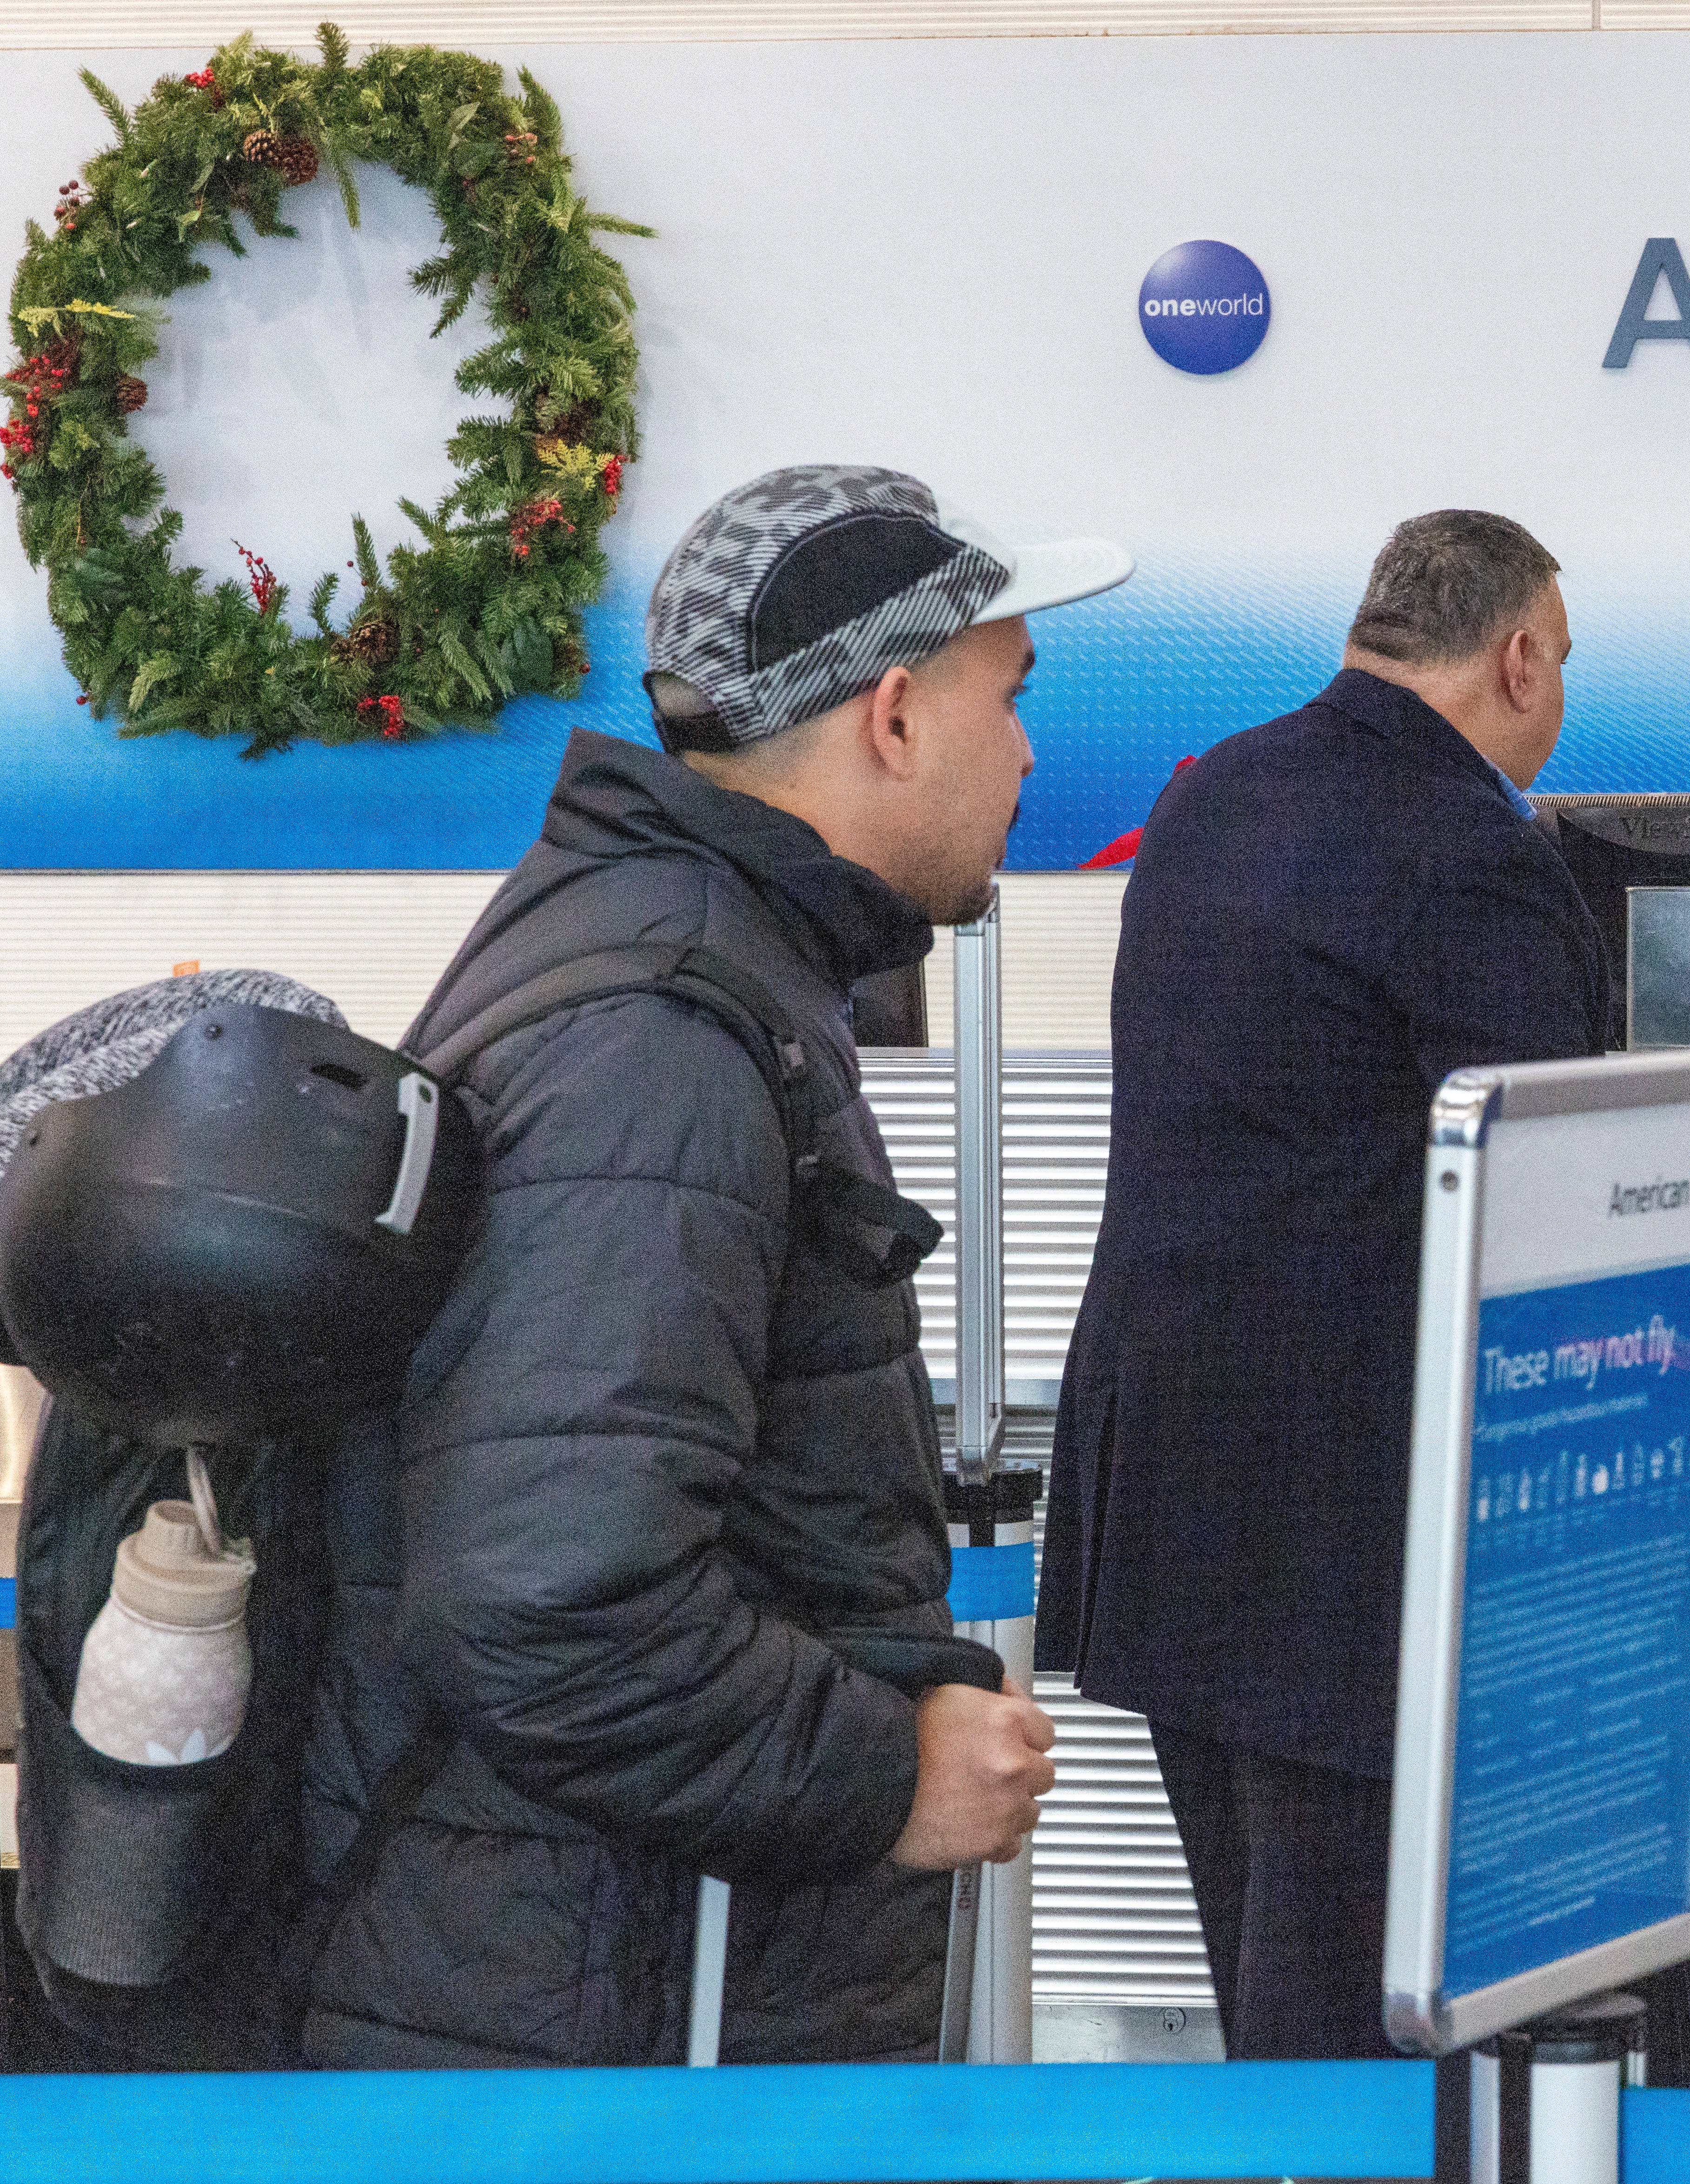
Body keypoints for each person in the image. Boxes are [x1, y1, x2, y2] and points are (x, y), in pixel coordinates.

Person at [304, 466, 1106, 2065]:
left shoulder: (687, 955)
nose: (1027, 750)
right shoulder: (663, 1030)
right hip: (602, 2025)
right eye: (1008, 698)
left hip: (609, 1979)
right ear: (893, 714)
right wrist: (888, 1769)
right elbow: (548, 1601)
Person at [1039, 510, 1614, 2060]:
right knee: (1365, 2019)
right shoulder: (1470, 847)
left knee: (1262, 1984)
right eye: (1558, 664)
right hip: (1348, 1526)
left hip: (1171, 1485)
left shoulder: (1215, 791)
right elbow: (1549, 1201)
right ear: (1515, 657)